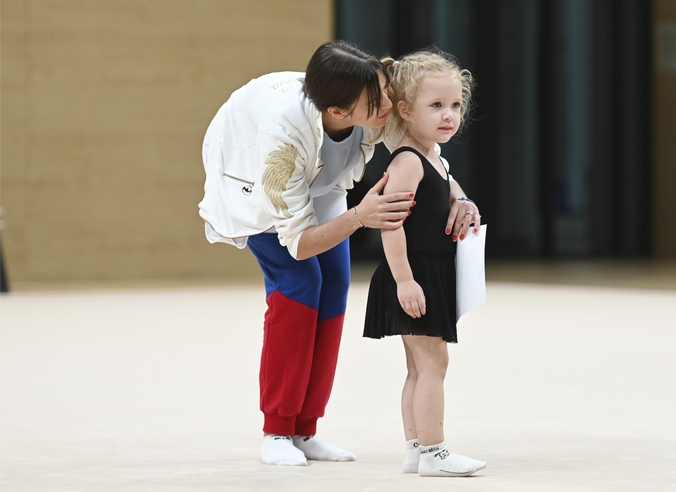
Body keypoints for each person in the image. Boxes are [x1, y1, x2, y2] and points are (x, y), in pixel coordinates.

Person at [198, 40, 477, 467]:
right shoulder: (280, 143)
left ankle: (305, 429)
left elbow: (425, 154)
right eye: (377, 101)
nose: (389, 105)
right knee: (300, 283)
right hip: (260, 186)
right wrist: (361, 216)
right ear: (340, 113)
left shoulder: (376, 102)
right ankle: (277, 431)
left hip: (321, 181)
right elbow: (297, 242)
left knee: (335, 288)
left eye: (386, 92)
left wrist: (458, 195)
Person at [363, 49, 486, 477]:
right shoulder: (407, 161)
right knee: (434, 363)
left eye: (455, 105)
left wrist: (463, 200)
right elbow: (390, 225)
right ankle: (435, 452)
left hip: (427, 271)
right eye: (435, 106)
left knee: (419, 366)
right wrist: (404, 281)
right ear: (404, 111)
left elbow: (450, 186)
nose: (448, 115)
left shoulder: (434, 157)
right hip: (414, 273)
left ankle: (416, 449)